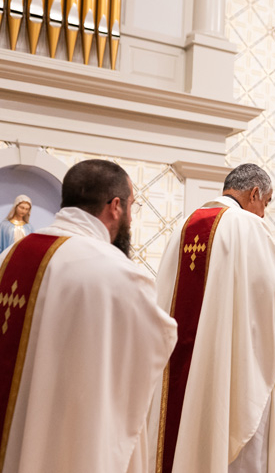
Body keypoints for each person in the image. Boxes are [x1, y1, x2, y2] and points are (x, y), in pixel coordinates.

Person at [0, 159, 177, 472]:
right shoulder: (116, 273)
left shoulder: (8, 257)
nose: (131, 219)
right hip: (67, 439)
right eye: (132, 207)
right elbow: (158, 342)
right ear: (116, 206)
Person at [152, 163, 275, 473]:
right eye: (265, 203)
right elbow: (273, 290)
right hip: (229, 361)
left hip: (182, 361)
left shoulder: (185, 225)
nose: (263, 214)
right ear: (254, 193)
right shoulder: (247, 226)